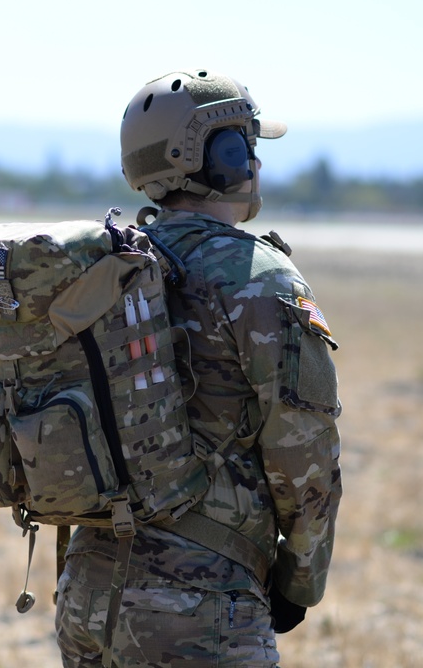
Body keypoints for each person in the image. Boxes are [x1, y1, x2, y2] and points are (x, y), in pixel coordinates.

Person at [54, 69, 343, 667]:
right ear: (219, 158)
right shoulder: (258, 277)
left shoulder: (104, 267)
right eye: (247, 147)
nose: (256, 164)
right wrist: (300, 581)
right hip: (201, 602)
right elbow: (305, 453)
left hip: (87, 589)